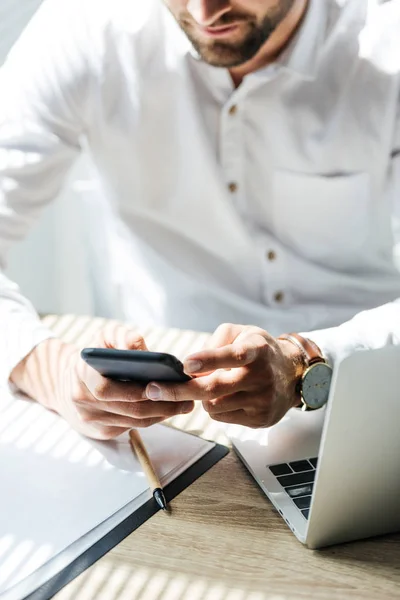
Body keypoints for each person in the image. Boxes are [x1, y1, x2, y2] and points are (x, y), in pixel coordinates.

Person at [1, 0, 400, 440]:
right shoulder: (86, 26)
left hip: (377, 393)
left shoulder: (386, 39)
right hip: (169, 420)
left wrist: (308, 361)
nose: (204, 12)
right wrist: (44, 368)